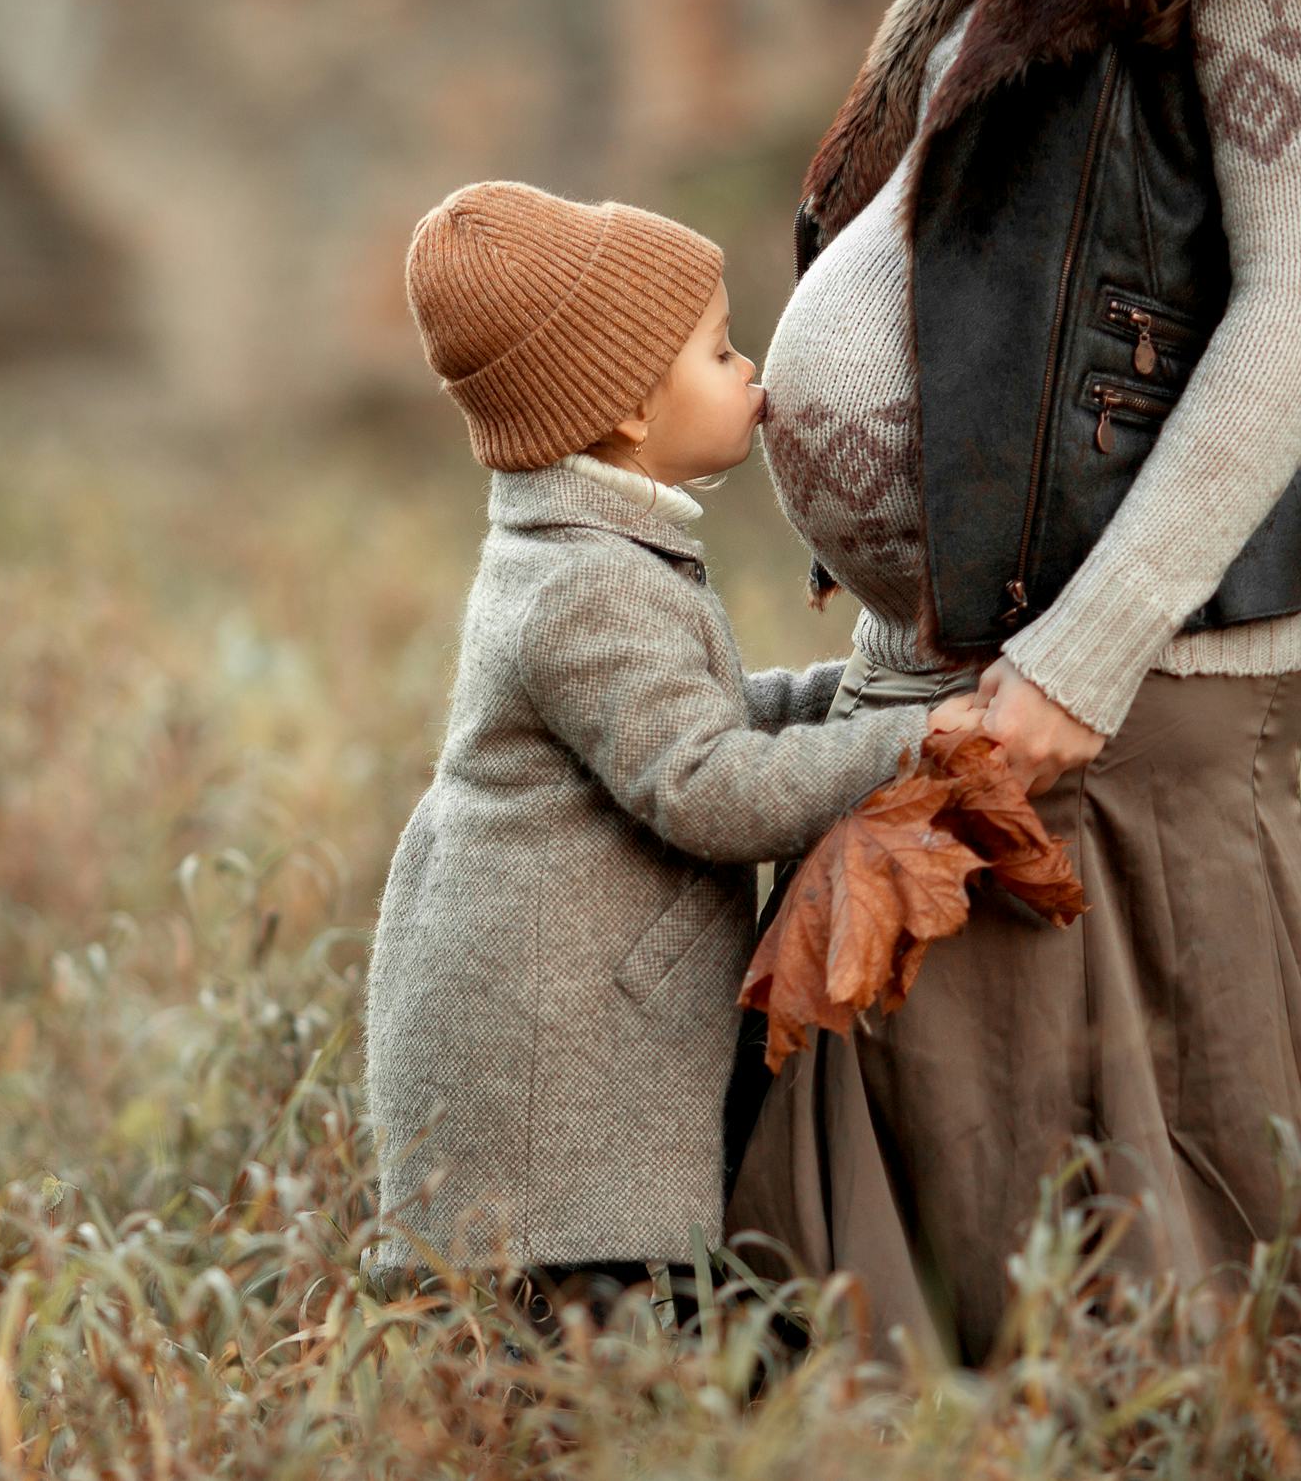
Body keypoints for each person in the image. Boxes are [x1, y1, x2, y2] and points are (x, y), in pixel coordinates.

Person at [733, 0, 1301, 1366]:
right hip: (965, 676)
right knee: (922, 1326)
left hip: (1107, 706)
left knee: (1126, 1335)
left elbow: (1296, 304)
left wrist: (1080, 660)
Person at [359, 181, 982, 1334]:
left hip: (572, 1058)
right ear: (629, 407)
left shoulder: (581, 549)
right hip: (551, 1094)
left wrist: (841, 696)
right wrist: (914, 740)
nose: (754, 375)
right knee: (574, 1361)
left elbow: (689, 721)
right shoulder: (587, 584)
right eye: (720, 350)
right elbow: (707, 788)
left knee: (591, 1352)